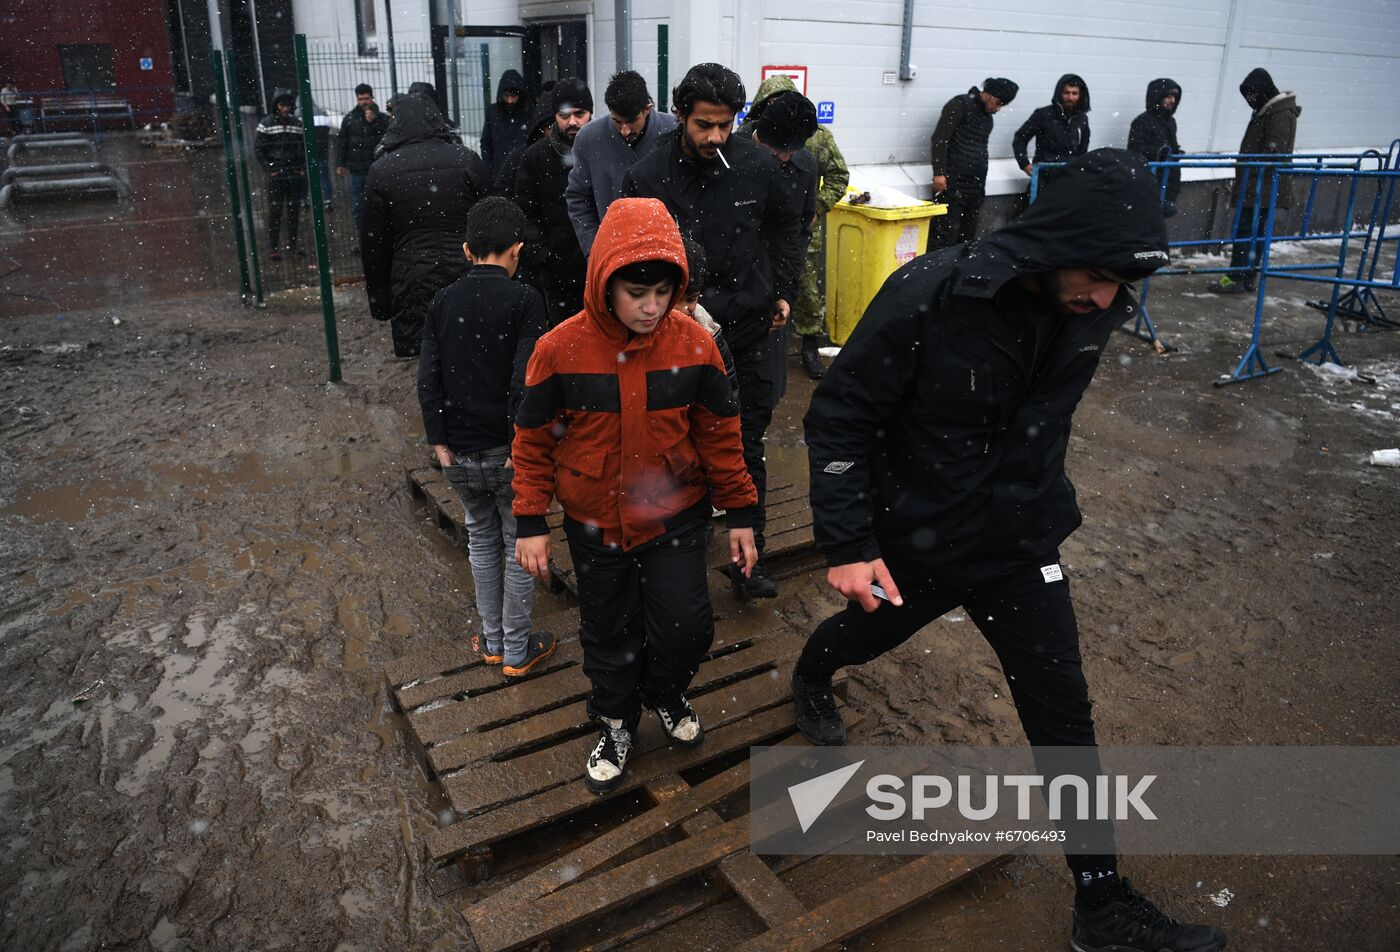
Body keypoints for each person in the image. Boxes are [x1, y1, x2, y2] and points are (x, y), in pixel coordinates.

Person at [788, 149, 1226, 952]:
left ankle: (1101, 908)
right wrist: (849, 544)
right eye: (1099, 276)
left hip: (1020, 543)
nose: (1108, 301)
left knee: (1064, 713)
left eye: (1123, 285)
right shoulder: (932, 293)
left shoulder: (1096, 303)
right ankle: (812, 673)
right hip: (919, 540)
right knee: (864, 635)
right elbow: (839, 419)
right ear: (1055, 246)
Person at [511, 197, 759, 793]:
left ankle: (665, 692)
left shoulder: (695, 345)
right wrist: (529, 521)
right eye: (636, 293)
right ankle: (617, 721)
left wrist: (743, 512)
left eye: (663, 293)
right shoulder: (559, 349)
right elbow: (532, 440)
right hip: (594, 520)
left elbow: (722, 436)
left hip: (676, 515)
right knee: (608, 628)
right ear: (603, 284)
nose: (651, 308)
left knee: (688, 626)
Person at [622, 63, 807, 601]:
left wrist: (783, 290)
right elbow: (630, 253)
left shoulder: (756, 166)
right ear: (680, 115)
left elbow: (786, 229)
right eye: (704, 125)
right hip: (673, 336)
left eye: (725, 125)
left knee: (746, 442)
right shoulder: (648, 176)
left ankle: (750, 562)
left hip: (747, 328)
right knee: (674, 448)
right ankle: (678, 559)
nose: (715, 137)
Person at [419, 197, 555, 678]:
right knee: (519, 543)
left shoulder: (441, 301)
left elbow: (428, 378)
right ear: (516, 250)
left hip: (458, 450)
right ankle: (518, 651)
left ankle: (493, 642)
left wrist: (440, 441)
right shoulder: (525, 300)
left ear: (465, 249)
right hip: (508, 452)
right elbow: (527, 379)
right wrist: (523, 442)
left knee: (480, 539)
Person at [361, 93, 492, 358]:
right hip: (467, 271)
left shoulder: (382, 170)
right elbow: (493, 219)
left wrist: (380, 300)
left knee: (428, 357)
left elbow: (374, 244)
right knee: (475, 352)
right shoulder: (466, 159)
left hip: (411, 279)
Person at [741, 74, 849, 380]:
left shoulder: (818, 138)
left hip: (801, 231)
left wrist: (818, 208)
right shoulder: (748, 140)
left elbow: (839, 175)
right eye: (770, 104)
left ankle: (810, 347)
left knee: (806, 293)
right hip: (760, 235)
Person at [566, 71, 678, 257]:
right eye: (617, 121)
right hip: (611, 253)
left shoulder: (674, 132)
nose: (625, 130)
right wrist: (595, 250)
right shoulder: (589, 138)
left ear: (647, 109)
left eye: (632, 121)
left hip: (667, 251)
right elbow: (578, 199)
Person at [1213, 68, 1301, 294]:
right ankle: (1247, 275)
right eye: (1247, 96)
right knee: (1253, 231)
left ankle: (1237, 277)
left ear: (1263, 90)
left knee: (1247, 231)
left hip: (1261, 184)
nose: (1250, 100)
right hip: (1257, 183)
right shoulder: (1270, 111)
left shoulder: (1278, 113)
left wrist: (1250, 168)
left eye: (1252, 94)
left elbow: (1273, 152)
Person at [514, 78, 593, 323]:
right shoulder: (535, 157)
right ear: (555, 116)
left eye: (580, 114)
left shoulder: (602, 150)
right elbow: (525, 210)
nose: (572, 122)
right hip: (557, 273)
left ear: (590, 113)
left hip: (598, 265)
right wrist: (543, 254)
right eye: (565, 115)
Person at [927, 77, 1018, 251]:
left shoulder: (987, 118)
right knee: (944, 235)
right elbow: (940, 139)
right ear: (989, 94)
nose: (998, 108)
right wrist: (939, 172)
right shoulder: (959, 105)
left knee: (966, 238)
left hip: (974, 186)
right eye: (998, 102)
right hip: (952, 182)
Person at [1012, 73, 1090, 190]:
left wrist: (1080, 169)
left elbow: (1083, 149)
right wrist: (1024, 164)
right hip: (1044, 175)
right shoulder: (1043, 115)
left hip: (1069, 177)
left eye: (1074, 93)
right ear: (1060, 93)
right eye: (1066, 93)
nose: (1070, 97)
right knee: (1038, 207)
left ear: (1080, 95)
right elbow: (1020, 138)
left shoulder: (1082, 119)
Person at [254, 91, 307, 261]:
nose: (285, 109)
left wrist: (301, 168)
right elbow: (259, 149)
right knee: (275, 211)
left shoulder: (296, 124)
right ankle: (274, 248)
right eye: (281, 105)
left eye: (287, 105)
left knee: (294, 211)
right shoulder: (266, 124)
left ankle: (292, 245)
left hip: (293, 174)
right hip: (276, 174)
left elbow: (302, 148)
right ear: (276, 106)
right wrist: (270, 170)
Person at [336, 84, 390, 233]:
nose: (364, 102)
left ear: (372, 98)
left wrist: (373, 122)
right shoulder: (349, 118)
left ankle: (380, 237)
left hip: (377, 170)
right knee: (358, 207)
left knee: (380, 207)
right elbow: (343, 142)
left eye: (366, 98)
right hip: (357, 170)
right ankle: (363, 239)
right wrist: (340, 163)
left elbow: (386, 139)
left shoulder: (382, 119)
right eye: (360, 99)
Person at [1127, 78, 1184, 217]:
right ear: (1157, 97)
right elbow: (1134, 151)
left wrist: (1174, 153)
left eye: (1174, 97)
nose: (1172, 101)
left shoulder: (1171, 122)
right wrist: (1158, 153)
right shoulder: (1142, 121)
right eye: (1168, 96)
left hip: (1167, 182)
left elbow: (1170, 147)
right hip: (1148, 182)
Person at [480, 69, 532, 177]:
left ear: (520, 96)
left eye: (513, 96)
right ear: (501, 94)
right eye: (507, 96)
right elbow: (486, 143)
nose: (509, 100)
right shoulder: (493, 112)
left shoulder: (529, 113)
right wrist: (489, 167)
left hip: (524, 172)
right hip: (499, 172)